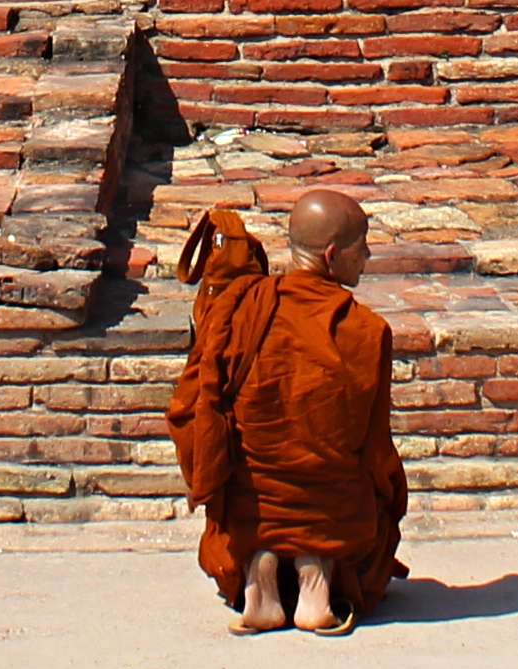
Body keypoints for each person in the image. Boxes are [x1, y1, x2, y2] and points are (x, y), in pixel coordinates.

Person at [164, 188, 407, 636]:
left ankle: (261, 573)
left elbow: (190, 411)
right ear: (332, 255)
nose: (368, 256)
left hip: (250, 510)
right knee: (363, 487)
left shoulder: (238, 310)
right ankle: (316, 580)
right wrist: (394, 497)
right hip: (332, 513)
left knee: (252, 481)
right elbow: (375, 449)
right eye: (362, 247)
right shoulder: (367, 331)